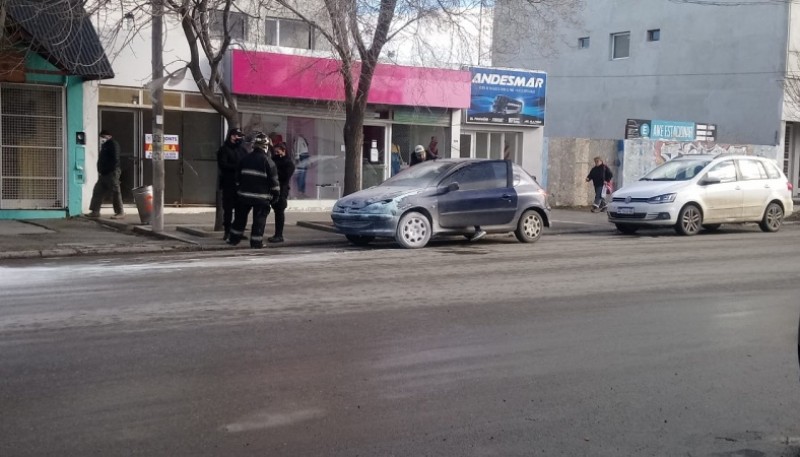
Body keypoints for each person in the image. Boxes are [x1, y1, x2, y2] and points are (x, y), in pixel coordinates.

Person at [227, 133, 280, 249]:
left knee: (239, 219)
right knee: (259, 221)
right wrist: (275, 196)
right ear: (265, 146)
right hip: (261, 198)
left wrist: (239, 190)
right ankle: (256, 243)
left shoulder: (245, 159)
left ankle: (233, 240)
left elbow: (237, 178)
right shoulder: (268, 161)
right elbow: (274, 182)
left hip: (244, 196)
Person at [217, 127, 247, 241]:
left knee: (241, 209)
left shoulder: (242, 150)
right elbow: (223, 165)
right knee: (228, 209)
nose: (239, 138)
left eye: (240, 136)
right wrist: (237, 167)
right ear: (232, 136)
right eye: (237, 136)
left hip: (241, 184)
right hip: (229, 183)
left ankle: (238, 231)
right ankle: (227, 231)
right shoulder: (224, 149)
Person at [86, 129, 125, 219]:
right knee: (98, 191)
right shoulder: (105, 145)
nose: (102, 139)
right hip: (104, 173)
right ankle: (95, 211)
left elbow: (115, 159)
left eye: (103, 137)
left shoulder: (113, 144)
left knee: (115, 191)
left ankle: (120, 212)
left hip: (111, 172)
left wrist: (109, 169)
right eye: (101, 137)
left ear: (109, 136)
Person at [268, 142, 295, 243]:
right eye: (275, 151)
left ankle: (279, 235)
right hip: (271, 189)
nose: (276, 153)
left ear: (284, 151)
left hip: (281, 190)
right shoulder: (274, 160)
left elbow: (285, 176)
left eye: (278, 151)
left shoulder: (288, 163)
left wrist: (275, 171)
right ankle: (277, 234)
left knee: (279, 212)